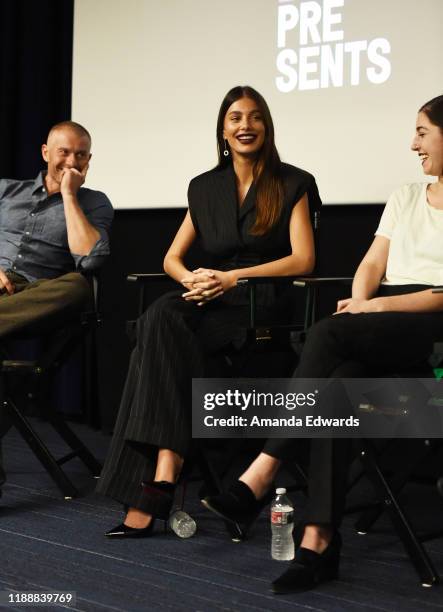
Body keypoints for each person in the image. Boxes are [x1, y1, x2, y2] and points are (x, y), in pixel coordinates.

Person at [201, 94, 443, 593]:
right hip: (377, 318)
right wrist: (361, 300)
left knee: (326, 333)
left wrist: (376, 308)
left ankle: (262, 470)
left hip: (429, 322)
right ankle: (318, 541)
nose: (413, 143)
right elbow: (372, 267)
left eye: (422, 131)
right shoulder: (405, 196)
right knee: (337, 387)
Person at [98, 85, 321, 537]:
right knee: (162, 314)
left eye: (255, 117)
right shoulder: (204, 187)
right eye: (236, 117)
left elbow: (303, 260)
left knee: (151, 341)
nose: (246, 125)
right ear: (222, 129)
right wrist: (193, 280)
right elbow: (171, 259)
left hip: (259, 305)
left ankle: (161, 477)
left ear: (267, 126)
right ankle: (165, 470)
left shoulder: (293, 181)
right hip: (208, 296)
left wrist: (231, 278)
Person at [0, 120, 114, 486]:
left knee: (79, 286)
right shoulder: (6, 191)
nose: (71, 160)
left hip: (38, 297)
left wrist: (68, 196)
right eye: (63, 151)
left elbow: (91, 259)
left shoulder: (94, 202)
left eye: (81, 154)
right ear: (45, 153)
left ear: (89, 160)